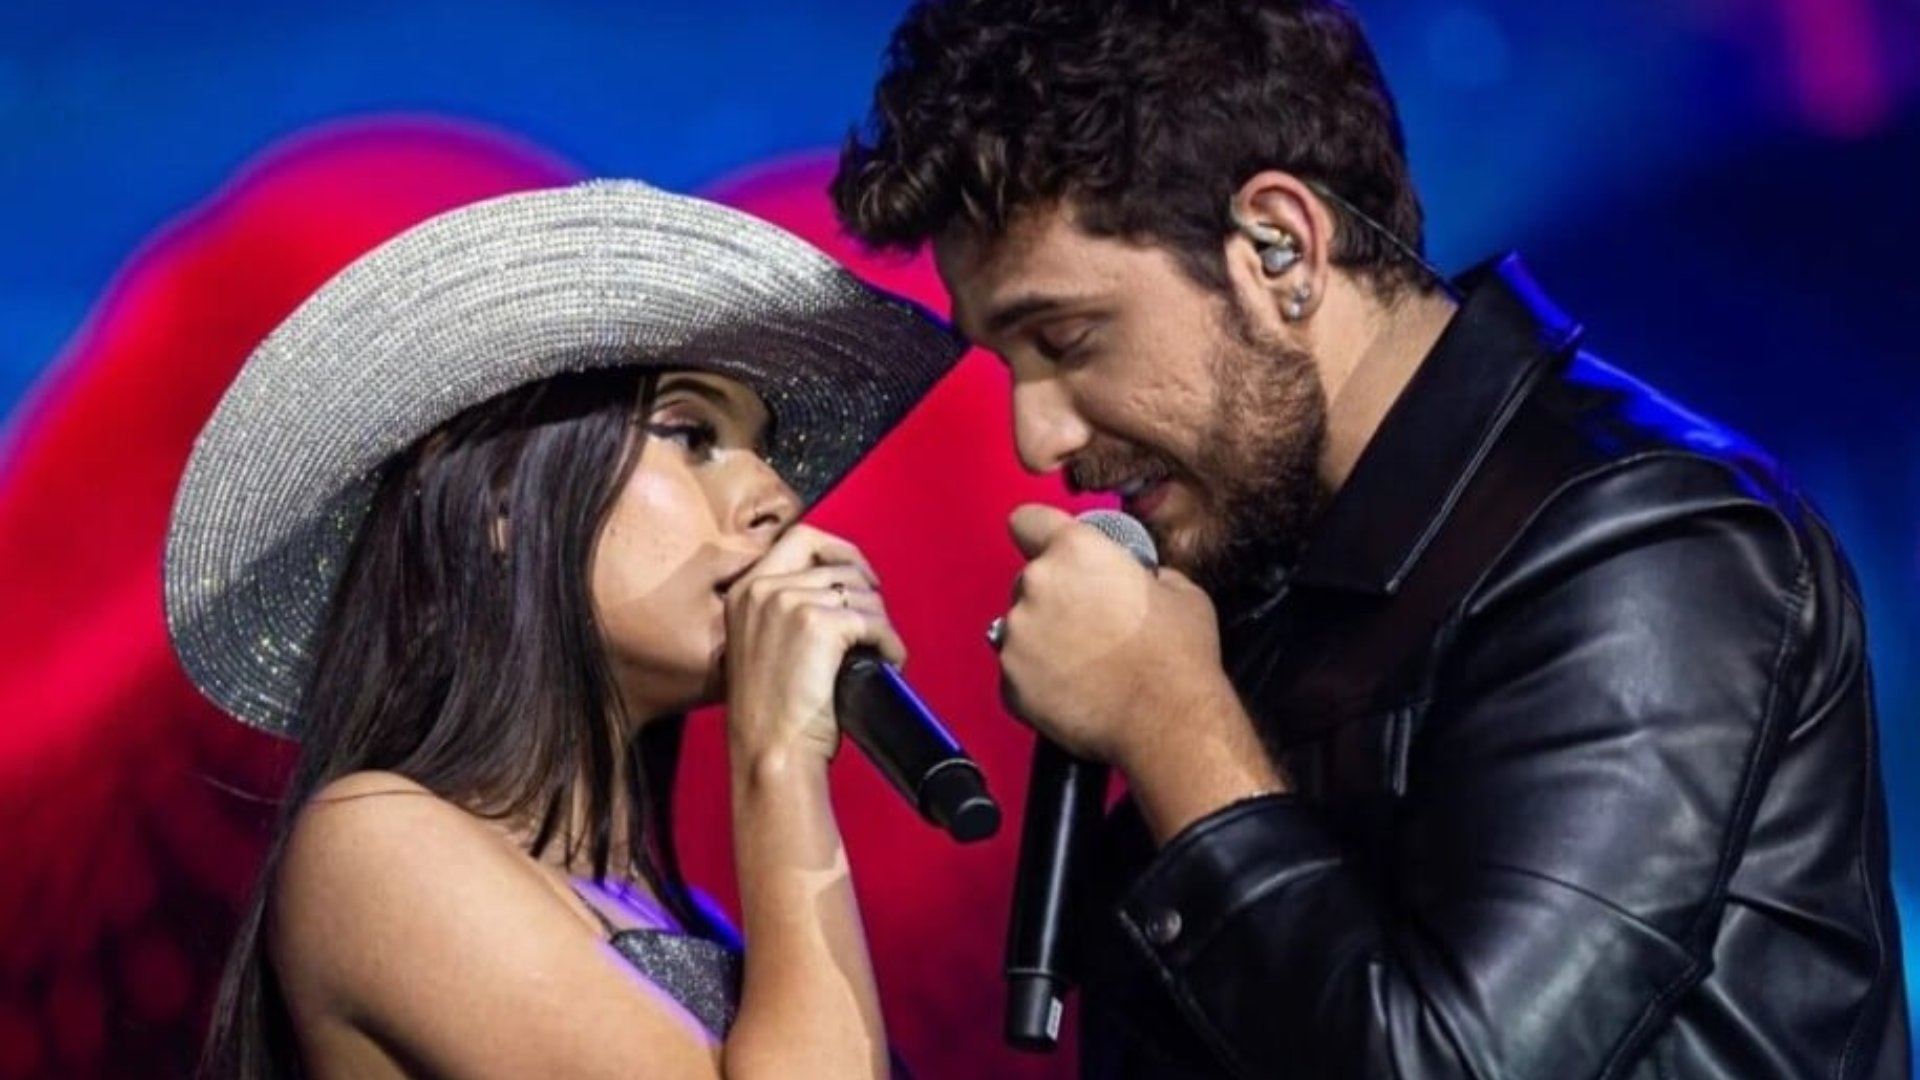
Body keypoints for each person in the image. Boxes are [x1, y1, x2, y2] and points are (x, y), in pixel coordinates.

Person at [830, 2, 1910, 1077]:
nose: (1037, 434)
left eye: (1065, 339)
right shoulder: (1262, 567)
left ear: (1278, 248)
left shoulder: (1643, 546)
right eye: (1006, 360)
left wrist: (1171, 725)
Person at [166, 179, 965, 1078]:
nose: (777, 499)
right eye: (691, 434)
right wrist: (775, 761)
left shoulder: (689, 919)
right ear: (501, 498)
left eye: (766, 453)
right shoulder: (374, 844)